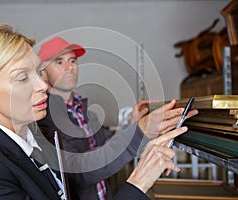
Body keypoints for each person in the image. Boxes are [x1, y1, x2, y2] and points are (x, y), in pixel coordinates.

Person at [0, 23, 189, 200]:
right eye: (22, 78)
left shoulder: (38, 136)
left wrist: (135, 128)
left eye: (37, 72)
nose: (43, 85)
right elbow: (84, 169)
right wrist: (139, 180)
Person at [36, 36, 198, 200]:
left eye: (72, 60)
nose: (69, 67)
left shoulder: (87, 113)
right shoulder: (45, 119)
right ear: (42, 72)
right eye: (59, 62)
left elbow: (107, 149)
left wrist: (132, 123)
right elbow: (80, 173)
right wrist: (139, 130)